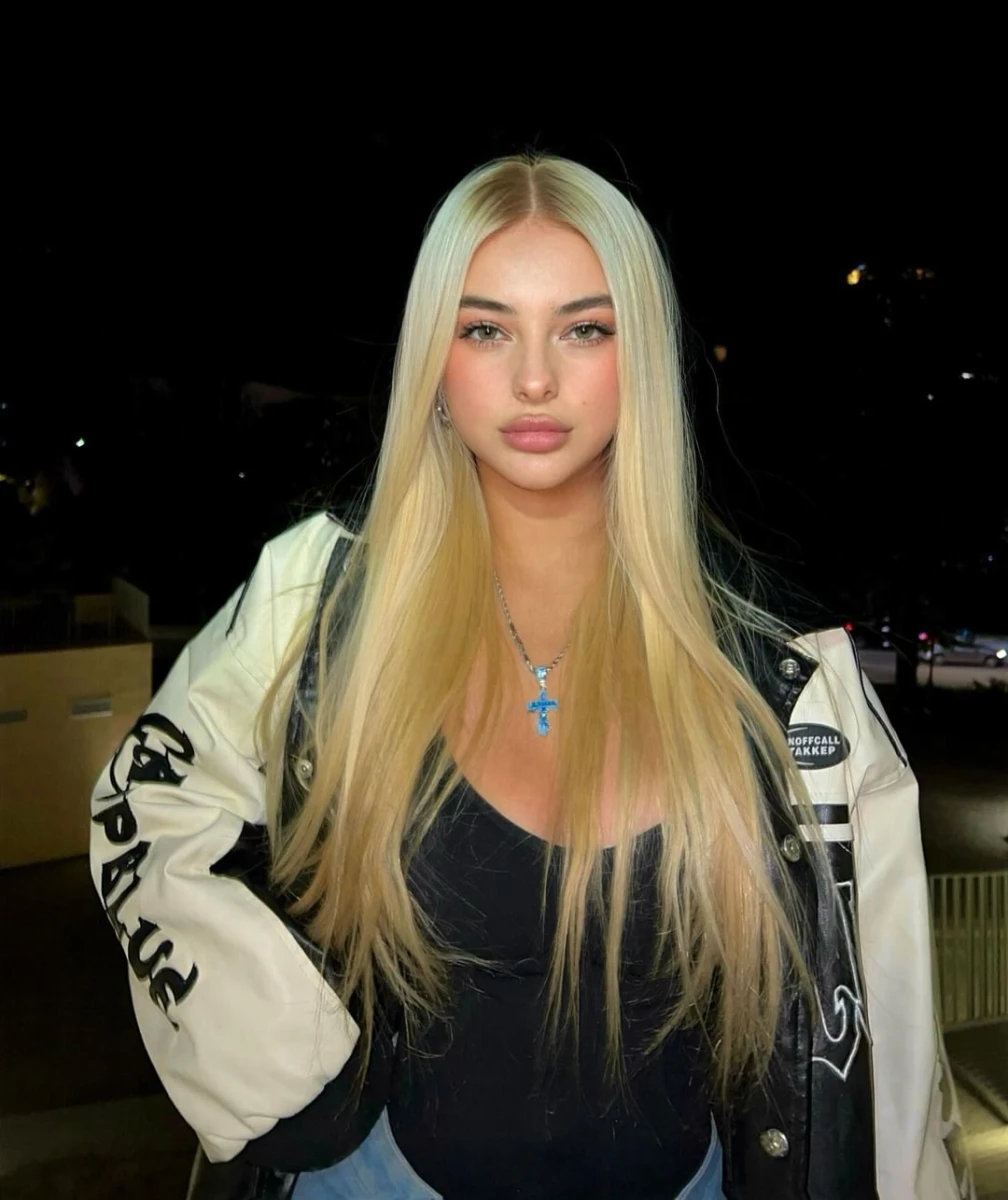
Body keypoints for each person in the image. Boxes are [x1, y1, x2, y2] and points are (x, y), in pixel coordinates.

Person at [90, 154, 967, 1200]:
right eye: (485, 329)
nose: (536, 379)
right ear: (435, 360)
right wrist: (270, 1055)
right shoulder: (311, 603)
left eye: (584, 329)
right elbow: (147, 809)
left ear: (640, 357)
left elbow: (889, 1042)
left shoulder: (785, 681)